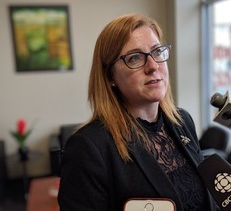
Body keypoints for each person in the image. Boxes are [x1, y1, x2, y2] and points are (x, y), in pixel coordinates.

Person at [58, 13, 218, 211]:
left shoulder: (182, 120)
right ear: (110, 77)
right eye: (135, 58)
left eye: (157, 52)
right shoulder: (88, 147)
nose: (153, 66)